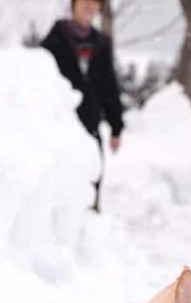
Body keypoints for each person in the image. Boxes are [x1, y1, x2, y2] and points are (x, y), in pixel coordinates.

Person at [41, 0, 124, 213]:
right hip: (60, 123)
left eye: (95, 2)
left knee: (92, 173)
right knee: (60, 175)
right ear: (74, 4)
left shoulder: (102, 43)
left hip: (91, 122)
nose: (90, 5)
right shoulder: (55, 39)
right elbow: (38, 80)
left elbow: (109, 87)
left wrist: (116, 127)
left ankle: (90, 219)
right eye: (85, 0)